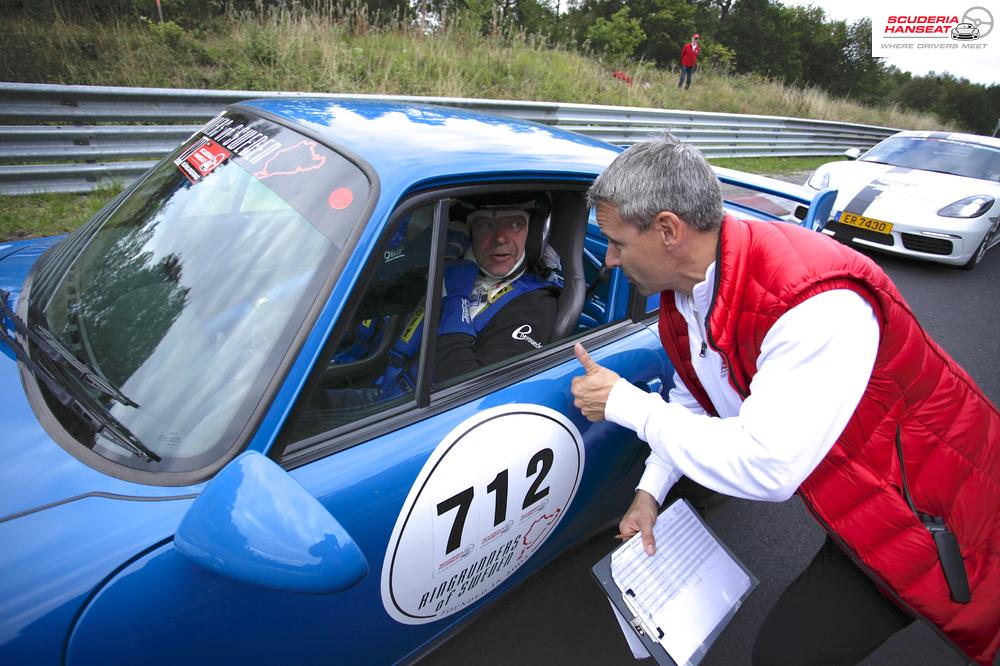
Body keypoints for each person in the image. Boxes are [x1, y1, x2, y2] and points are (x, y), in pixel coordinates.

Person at [570, 135, 999, 665]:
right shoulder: (688, 288)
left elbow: (768, 469)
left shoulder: (816, 306)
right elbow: (695, 395)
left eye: (616, 242)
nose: (608, 259)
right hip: (860, 485)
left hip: (937, 508)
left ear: (667, 230)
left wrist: (625, 404)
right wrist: (650, 491)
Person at [334, 199, 560, 404]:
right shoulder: (452, 267)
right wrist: (415, 255)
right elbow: (364, 304)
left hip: (418, 418)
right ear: (470, 233)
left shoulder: (536, 304)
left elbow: (470, 393)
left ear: (531, 235)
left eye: (514, 225)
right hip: (383, 392)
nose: (500, 238)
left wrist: (456, 299)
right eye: (485, 225)